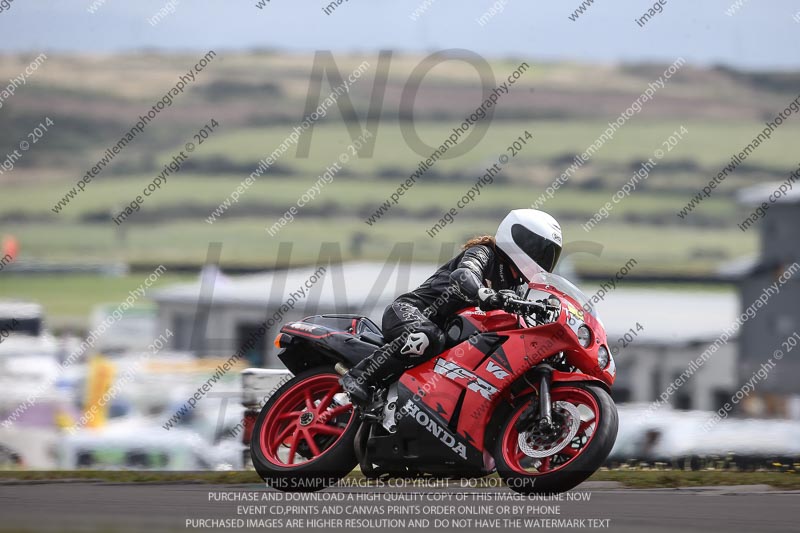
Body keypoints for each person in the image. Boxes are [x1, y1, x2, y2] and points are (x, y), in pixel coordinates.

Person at [340, 209, 563, 405]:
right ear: (521, 240)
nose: (543, 259)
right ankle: (359, 376)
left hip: (446, 339)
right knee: (428, 337)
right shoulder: (485, 252)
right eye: (540, 251)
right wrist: (483, 292)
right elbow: (464, 274)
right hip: (410, 311)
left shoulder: (517, 287)